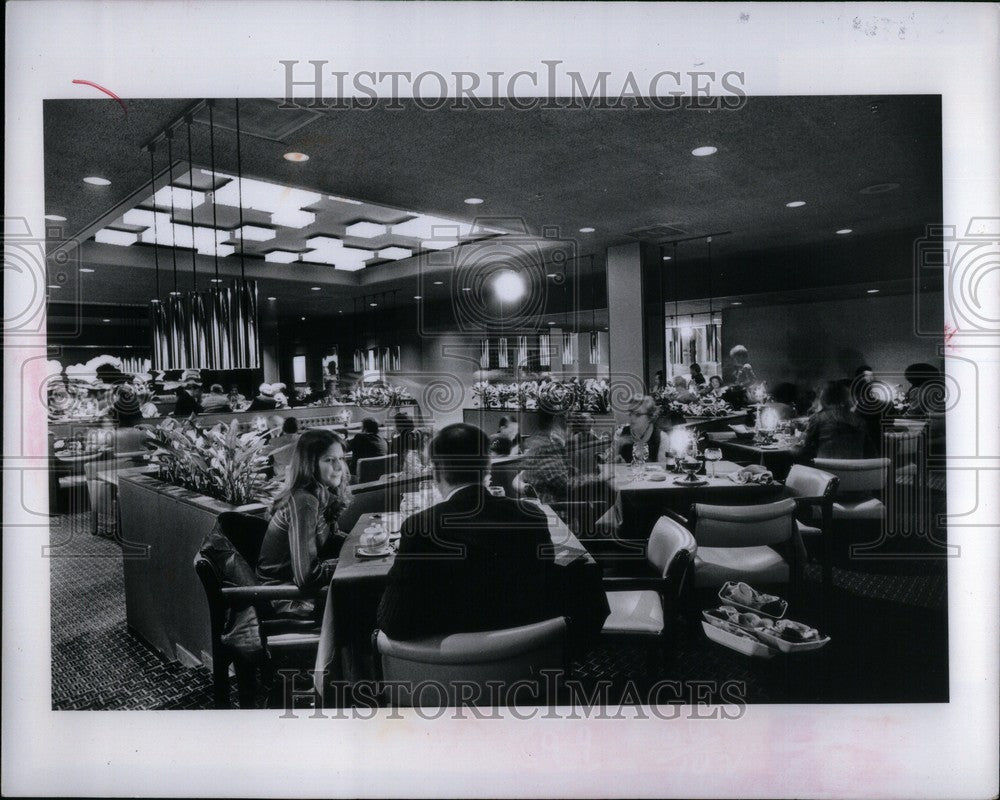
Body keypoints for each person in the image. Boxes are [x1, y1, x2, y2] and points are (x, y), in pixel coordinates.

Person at [376, 424, 556, 640]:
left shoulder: (419, 526)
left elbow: (394, 622)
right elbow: (544, 591)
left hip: (446, 669)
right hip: (526, 656)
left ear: (437, 471)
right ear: (488, 468)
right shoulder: (532, 515)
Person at [256, 429, 351, 618]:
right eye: (329, 460)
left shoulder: (320, 494)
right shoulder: (304, 501)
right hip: (286, 598)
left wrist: (363, 546)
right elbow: (306, 576)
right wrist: (350, 563)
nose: (339, 467)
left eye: (341, 458)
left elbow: (332, 537)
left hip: (296, 590)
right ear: (310, 465)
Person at [794, 381, 873, 462]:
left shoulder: (817, 418)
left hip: (825, 471)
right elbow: (870, 451)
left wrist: (793, 449)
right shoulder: (860, 420)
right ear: (846, 398)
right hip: (855, 471)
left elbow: (805, 448)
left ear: (824, 398)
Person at [614, 395, 667, 464]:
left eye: (637, 414)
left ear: (650, 416)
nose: (632, 418)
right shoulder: (620, 433)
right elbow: (611, 464)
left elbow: (663, 470)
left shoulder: (662, 438)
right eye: (630, 413)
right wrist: (618, 462)